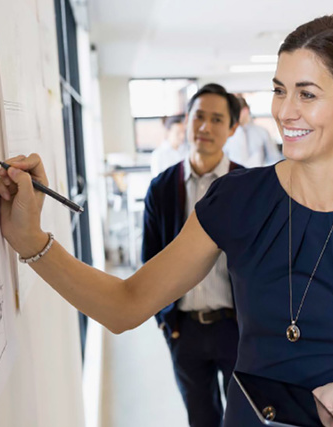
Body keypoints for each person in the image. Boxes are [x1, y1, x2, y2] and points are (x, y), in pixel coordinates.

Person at [0, 15, 333, 427]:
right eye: (279, 90)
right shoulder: (237, 199)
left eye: (307, 94)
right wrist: (30, 239)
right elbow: (125, 304)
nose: (285, 112)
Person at [142, 84, 243, 427]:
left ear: (232, 128)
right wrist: (164, 321)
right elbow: (150, 260)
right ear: (186, 121)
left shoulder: (248, 186)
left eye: (217, 119)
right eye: (199, 116)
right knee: (201, 419)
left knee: (244, 417)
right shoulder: (162, 187)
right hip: (184, 331)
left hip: (237, 328)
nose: (205, 127)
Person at [224, 96, 283, 167]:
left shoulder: (262, 132)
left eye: (236, 112)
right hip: (233, 175)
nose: (233, 116)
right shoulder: (228, 133)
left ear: (245, 110)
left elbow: (274, 159)